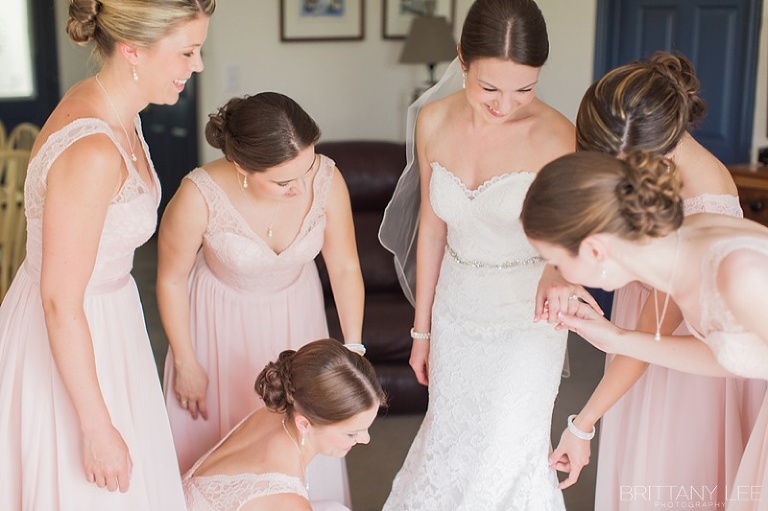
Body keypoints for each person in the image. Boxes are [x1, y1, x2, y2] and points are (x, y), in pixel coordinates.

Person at [378, 0, 597, 508]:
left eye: (525, 89)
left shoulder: (557, 135)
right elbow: (432, 230)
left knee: (507, 448)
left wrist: (554, 268)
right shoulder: (432, 120)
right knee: (452, 440)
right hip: (457, 308)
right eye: (489, 88)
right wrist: (422, 329)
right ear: (462, 60)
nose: (505, 104)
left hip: (527, 318)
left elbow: (574, 234)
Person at [0, 0, 215, 509]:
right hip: (72, 331)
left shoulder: (117, 109)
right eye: (187, 51)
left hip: (110, 321)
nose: (198, 66)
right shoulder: (93, 150)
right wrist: (96, 428)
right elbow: (59, 301)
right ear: (132, 49)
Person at [548, 51, 767, 507]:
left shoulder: (706, 217)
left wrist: (582, 422)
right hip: (658, 346)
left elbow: (653, 330)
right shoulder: (648, 175)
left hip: (681, 379)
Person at [158, 92, 364, 505]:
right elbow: (170, 280)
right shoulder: (198, 195)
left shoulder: (326, 179)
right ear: (242, 168)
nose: (302, 186)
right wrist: (185, 360)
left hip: (297, 315)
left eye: (307, 169)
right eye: (283, 181)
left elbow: (343, 268)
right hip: (218, 324)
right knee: (214, 437)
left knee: (303, 429)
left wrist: (353, 347)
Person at [183, 338, 385, 511]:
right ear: (304, 424)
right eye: (351, 433)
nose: (365, 440)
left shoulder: (279, 408)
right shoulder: (287, 500)